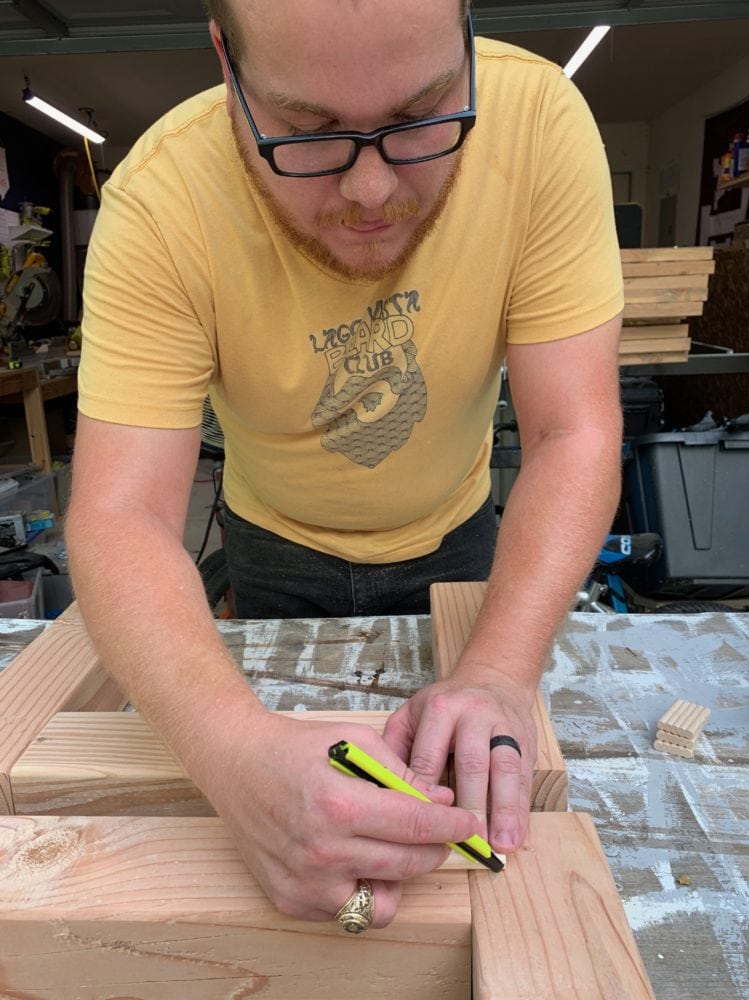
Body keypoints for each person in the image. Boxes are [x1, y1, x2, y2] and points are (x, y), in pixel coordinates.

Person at [66, 0, 624, 932]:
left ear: (466, 41)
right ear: (225, 62)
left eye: (423, 115)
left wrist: (497, 671)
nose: (371, 190)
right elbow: (119, 513)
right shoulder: (162, 199)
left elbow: (576, 432)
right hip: (272, 546)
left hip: (461, 540)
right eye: (308, 133)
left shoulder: (539, 124)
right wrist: (234, 755)